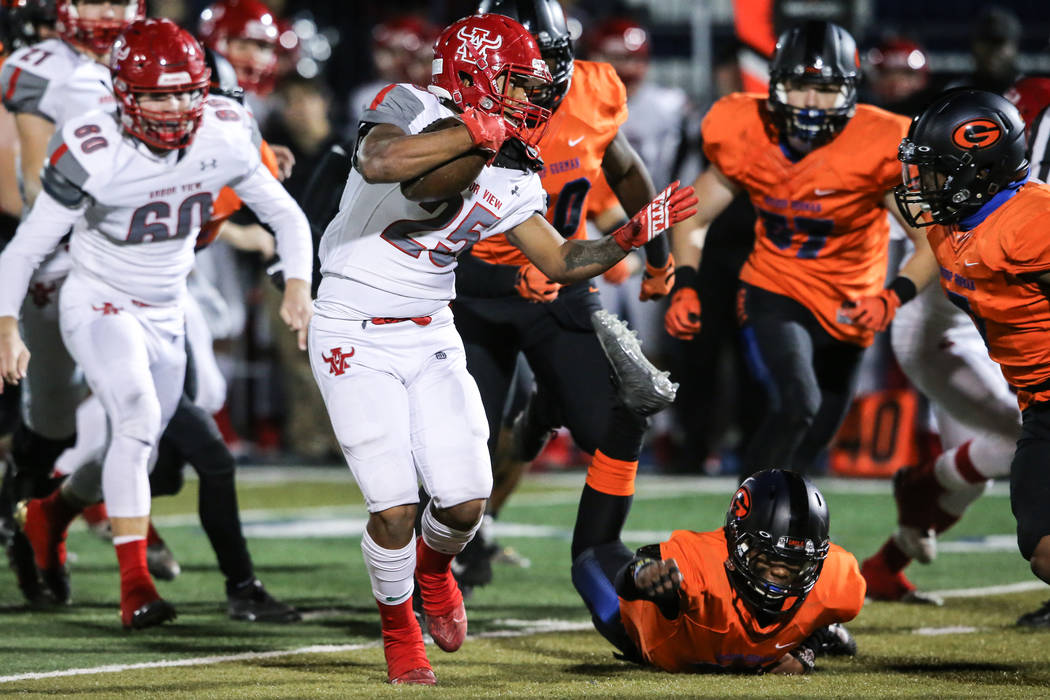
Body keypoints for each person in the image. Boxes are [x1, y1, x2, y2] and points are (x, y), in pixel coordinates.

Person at [308, 13, 694, 685]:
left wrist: (632, 236)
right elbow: (383, 162)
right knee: (396, 507)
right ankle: (400, 633)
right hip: (350, 328)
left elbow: (564, 257)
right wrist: (474, 131)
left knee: (463, 502)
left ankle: (434, 571)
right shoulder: (407, 104)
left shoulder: (514, 169)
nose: (530, 100)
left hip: (430, 329)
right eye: (517, 86)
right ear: (475, 76)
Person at [0, 18, 314, 628]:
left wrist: (297, 283)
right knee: (139, 419)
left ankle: (52, 513)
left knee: (136, 450)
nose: (172, 109)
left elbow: (287, 214)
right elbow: (23, 249)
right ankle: (135, 585)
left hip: (168, 307)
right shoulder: (93, 145)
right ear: (122, 93)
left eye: (183, 93)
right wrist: (7, 325)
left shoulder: (222, 130)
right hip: (97, 301)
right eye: (154, 95)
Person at [449, 0, 679, 589]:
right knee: (462, 454)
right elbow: (427, 237)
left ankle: (602, 555)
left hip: (565, 283)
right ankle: (442, 567)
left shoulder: (593, 90)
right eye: (518, 74)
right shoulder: (449, 114)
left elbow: (626, 171)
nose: (540, 84)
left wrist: (658, 258)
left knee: (617, 426)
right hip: (472, 296)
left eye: (548, 64)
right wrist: (507, 278)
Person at [664, 20, 938, 481]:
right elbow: (693, 214)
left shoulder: (879, 142)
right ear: (775, 86)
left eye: (826, 89)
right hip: (776, 288)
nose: (811, 103)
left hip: (851, 301)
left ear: (850, 90)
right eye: (798, 87)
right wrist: (686, 284)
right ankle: (742, 518)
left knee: (815, 436)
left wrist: (893, 296)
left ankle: (776, 517)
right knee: (799, 403)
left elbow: (930, 237)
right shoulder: (748, 130)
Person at [859, 75, 1050, 606]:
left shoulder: (1029, 219)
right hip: (946, 334)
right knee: (1013, 450)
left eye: (938, 169)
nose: (920, 183)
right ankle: (919, 493)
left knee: (1001, 453)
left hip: (999, 353)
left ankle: (891, 552)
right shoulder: (953, 224)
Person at [0, 0, 144, 605]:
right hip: (63, 254)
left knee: (170, 418)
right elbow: (35, 175)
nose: (107, 10)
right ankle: (26, 521)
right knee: (54, 417)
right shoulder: (40, 66)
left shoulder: (153, 58)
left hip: (147, 260)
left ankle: (62, 520)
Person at [571, 468, 864, 673]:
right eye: (768, 557)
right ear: (736, 540)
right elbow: (637, 572)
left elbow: (825, 605)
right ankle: (629, 422)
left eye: (795, 562)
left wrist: (806, 651)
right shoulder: (698, 564)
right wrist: (642, 576)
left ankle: (828, 636)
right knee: (590, 563)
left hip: (729, 647)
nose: (781, 574)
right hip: (653, 644)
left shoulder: (835, 579)